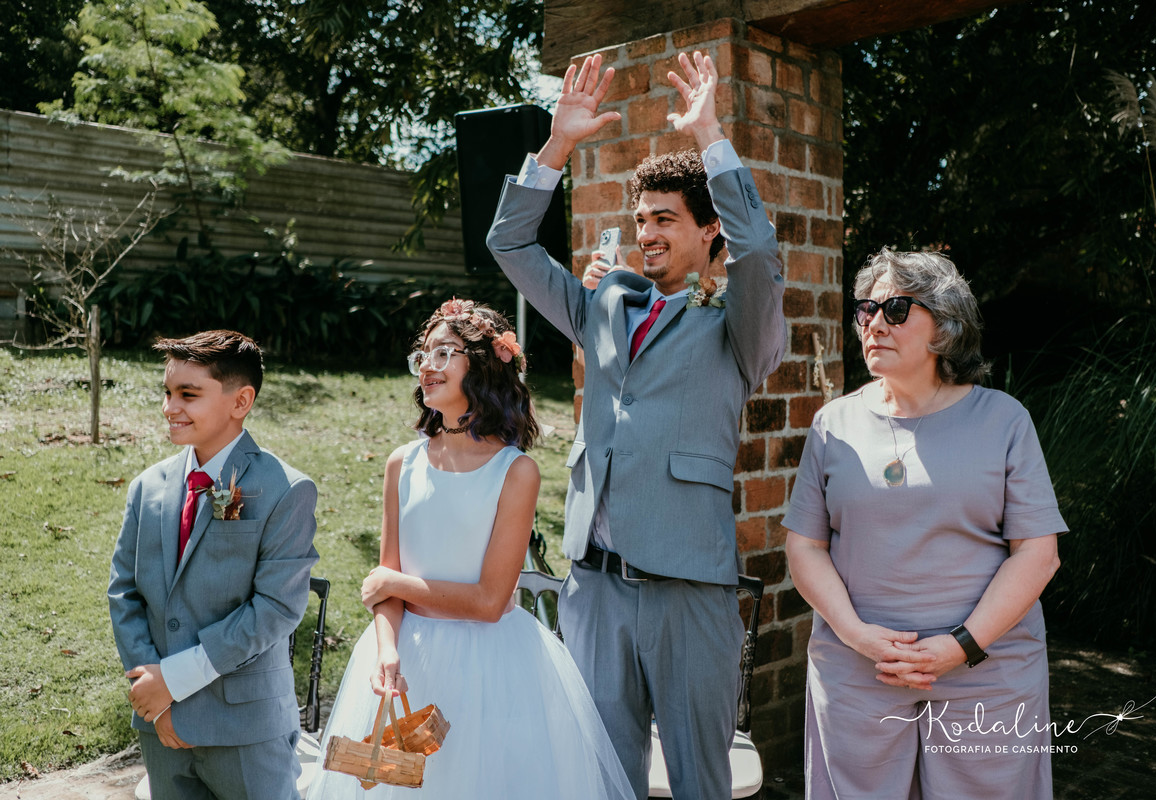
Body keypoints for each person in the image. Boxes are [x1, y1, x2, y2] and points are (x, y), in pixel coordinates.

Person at [487, 51, 786, 798]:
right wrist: (557, 145)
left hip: (689, 589)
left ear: (709, 229)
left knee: (698, 783)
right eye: (640, 219)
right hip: (595, 587)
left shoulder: (736, 327)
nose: (646, 233)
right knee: (601, 776)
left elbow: (760, 252)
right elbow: (510, 245)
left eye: (664, 220)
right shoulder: (603, 307)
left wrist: (711, 135)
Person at [307, 299, 635, 800]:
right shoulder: (402, 463)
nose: (428, 365)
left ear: (483, 366)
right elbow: (386, 579)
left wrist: (392, 583)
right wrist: (388, 650)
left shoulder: (515, 472)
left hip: (491, 670)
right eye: (424, 354)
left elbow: (488, 601)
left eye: (444, 353)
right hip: (405, 662)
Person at [783, 248, 1067, 799]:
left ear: (944, 328)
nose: (873, 324)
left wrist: (961, 645)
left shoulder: (1004, 420)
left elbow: (1039, 553)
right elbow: (804, 547)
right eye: (867, 310)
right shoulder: (832, 424)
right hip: (858, 673)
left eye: (895, 309)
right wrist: (856, 635)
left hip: (987, 673)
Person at [108, 329, 320, 800]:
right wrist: (153, 692)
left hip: (246, 729)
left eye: (188, 394)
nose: (170, 407)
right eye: (167, 392)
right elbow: (124, 592)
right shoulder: (148, 488)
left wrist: (175, 682)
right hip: (160, 725)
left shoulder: (285, 488)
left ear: (240, 400)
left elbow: (276, 609)